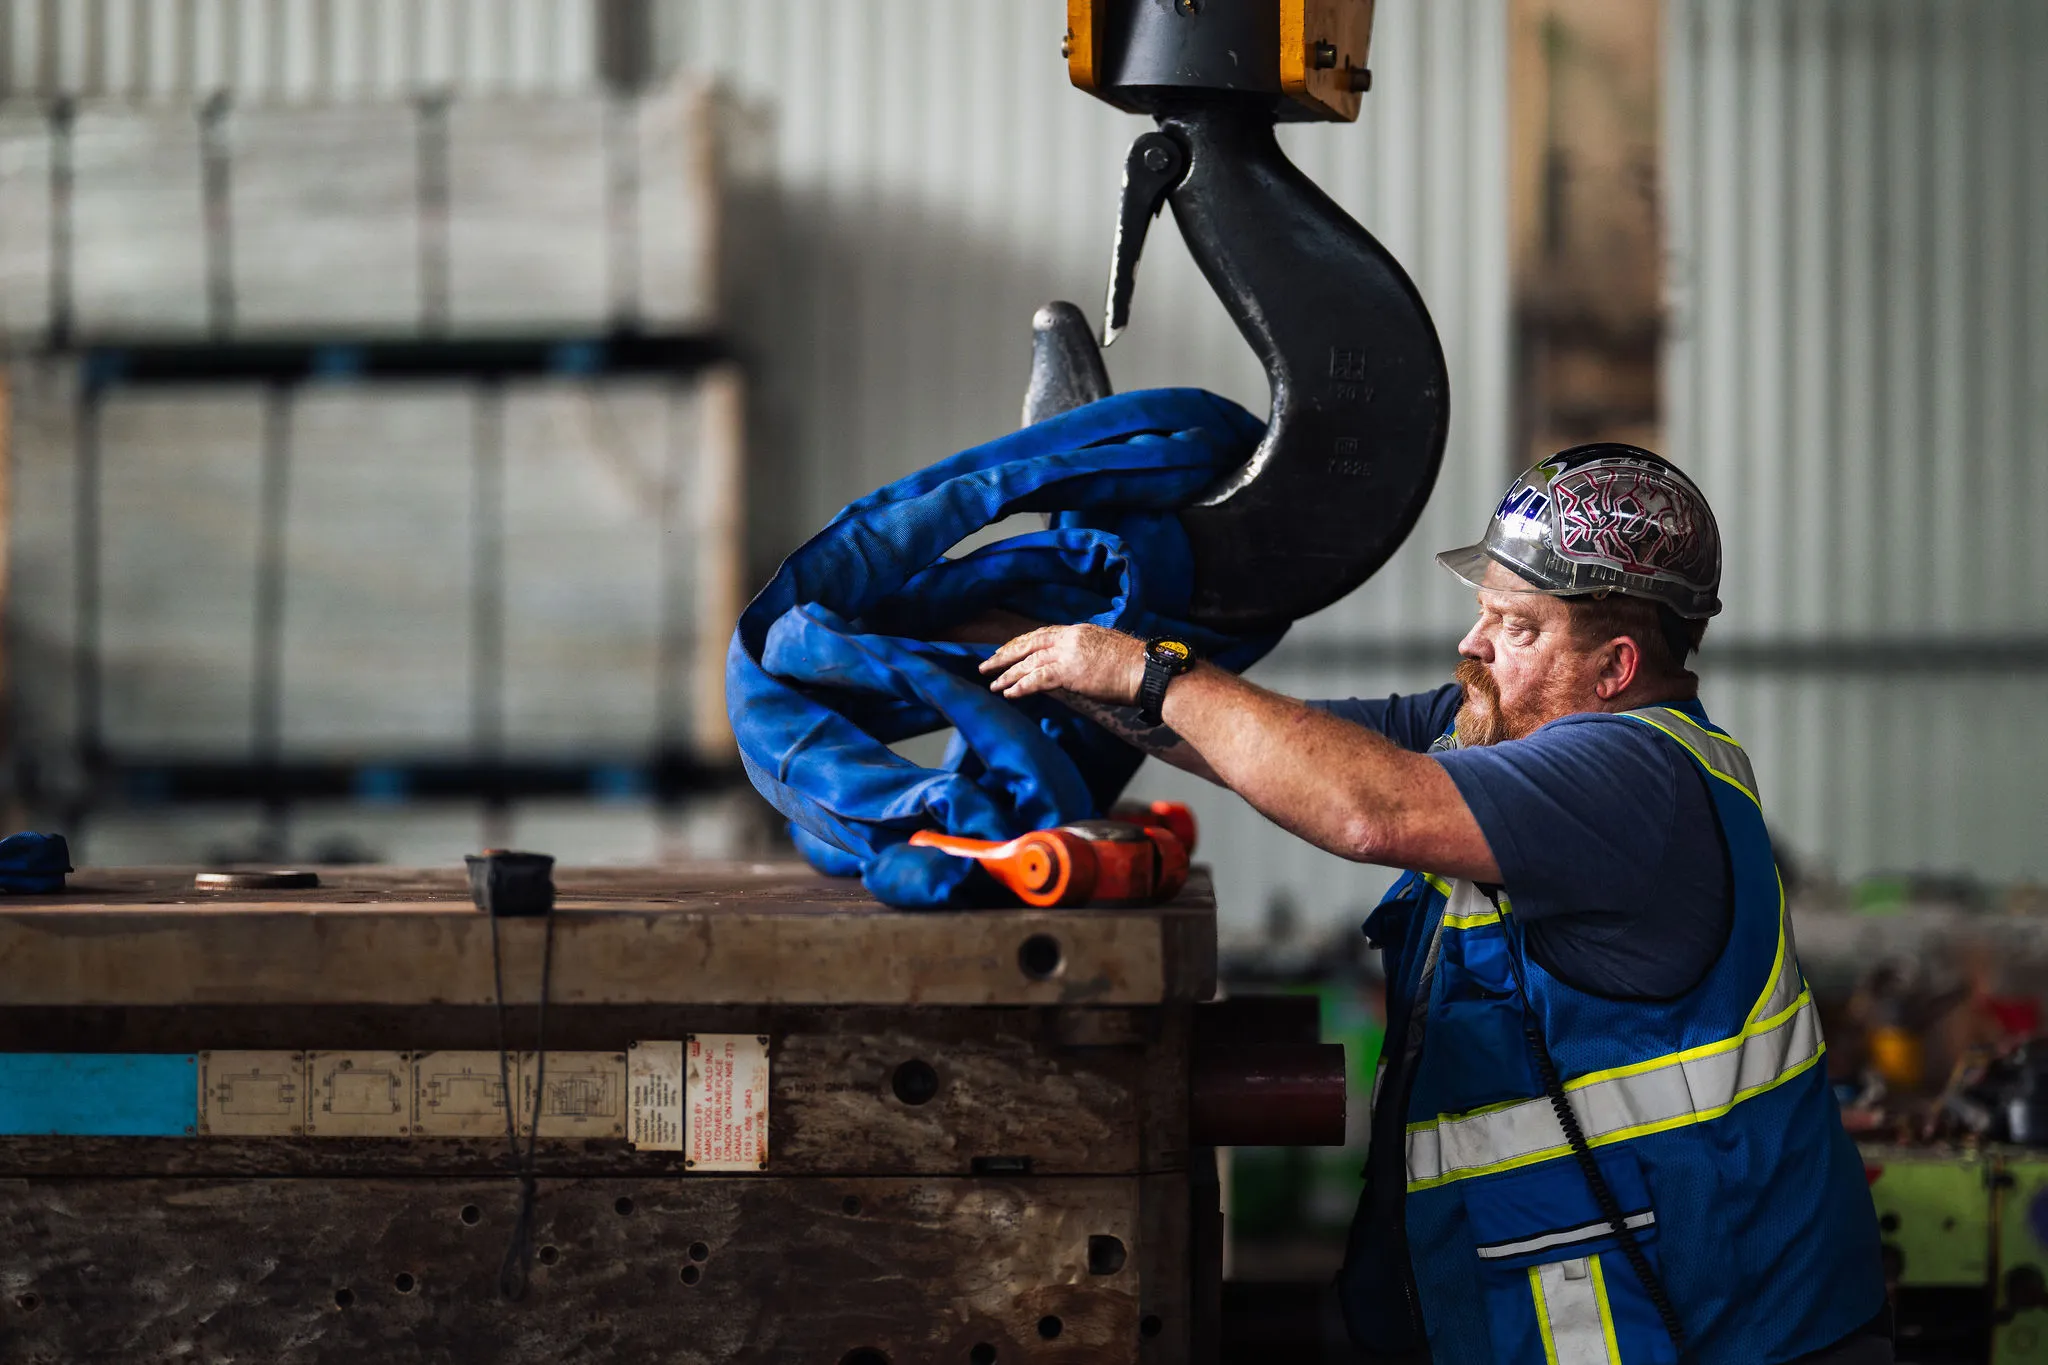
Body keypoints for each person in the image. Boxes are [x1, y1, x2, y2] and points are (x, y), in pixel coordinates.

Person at [977, 445, 1889, 1364]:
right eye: (1481, 610)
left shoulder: (1635, 777)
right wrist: (1020, 643)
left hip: (1725, 1335)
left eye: (1516, 625)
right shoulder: (1488, 731)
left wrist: (1149, 669)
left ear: (1614, 668)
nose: (1473, 645)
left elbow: (1366, 809)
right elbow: (1265, 744)